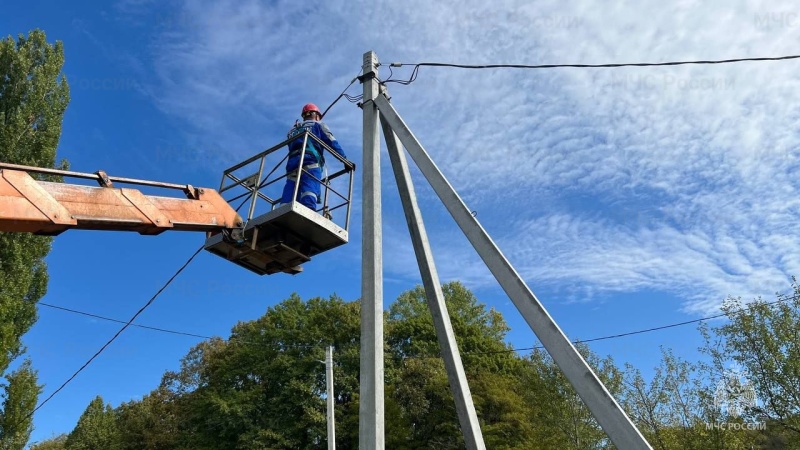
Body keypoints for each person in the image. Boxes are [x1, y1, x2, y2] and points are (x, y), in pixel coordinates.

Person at [281, 103, 346, 211]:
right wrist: (344, 159)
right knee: (310, 187)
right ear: (316, 115)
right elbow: (332, 142)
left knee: (291, 187)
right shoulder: (319, 125)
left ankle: (283, 209)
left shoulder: (293, 131)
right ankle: (308, 210)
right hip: (310, 161)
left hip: (292, 164)